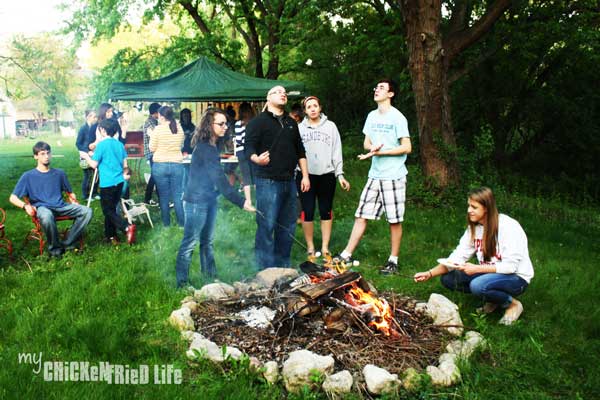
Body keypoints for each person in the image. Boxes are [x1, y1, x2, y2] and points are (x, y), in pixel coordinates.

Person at [414, 187, 534, 325]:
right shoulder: (475, 228)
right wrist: (429, 273)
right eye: (468, 206)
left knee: (478, 285)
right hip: (492, 273)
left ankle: (512, 304)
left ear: (487, 208)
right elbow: (456, 259)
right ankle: (493, 299)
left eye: (474, 207)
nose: (469, 210)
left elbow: (511, 267)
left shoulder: (508, 226)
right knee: (449, 279)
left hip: (516, 278)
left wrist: (477, 268)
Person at [334, 79, 412, 275]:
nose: (377, 90)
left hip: (393, 175)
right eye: (376, 87)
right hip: (375, 175)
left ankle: (393, 260)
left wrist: (382, 152)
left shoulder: (398, 118)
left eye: (382, 88)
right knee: (361, 214)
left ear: (391, 94)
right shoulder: (371, 116)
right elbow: (366, 143)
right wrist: (373, 149)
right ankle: (346, 254)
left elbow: (407, 147)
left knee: (394, 220)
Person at [175, 108, 255, 287]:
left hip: (209, 199)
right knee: (189, 243)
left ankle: (210, 277)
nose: (225, 127)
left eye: (226, 123)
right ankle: (181, 284)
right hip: (196, 201)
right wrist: (242, 203)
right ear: (209, 125)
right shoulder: (205, 148)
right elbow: (221, 181)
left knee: (207, 242)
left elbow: (217, 176)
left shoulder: (214, 145)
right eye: (221, 124)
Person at [245, 85, 310, 269]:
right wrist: (256, 159)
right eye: (278, 92)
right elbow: (248, 147)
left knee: (287, 226)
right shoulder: (257, 122)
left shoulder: (291, 123)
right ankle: (264, 269)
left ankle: (282, 267)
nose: (283, 94)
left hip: (289, 181)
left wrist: (305, 175)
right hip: (267, 181)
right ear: (268, 98)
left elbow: (300, 151)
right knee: (266, 225)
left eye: (284, 92)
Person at [9, 141, 93, 257]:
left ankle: (67, 242)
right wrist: (25, 206)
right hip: (42, 208)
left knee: (87, 211)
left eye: (48, 153)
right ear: (35, 156)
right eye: (42, 154)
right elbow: (12, 198)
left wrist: (73, 199)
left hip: (61, 206)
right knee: (47, 216)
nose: (46, 156)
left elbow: (70, 192)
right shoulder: (28, 176)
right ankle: (55, 250)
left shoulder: (59, 173)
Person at [297, 96, 350, 257]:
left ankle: (325, 246)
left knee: (326, 210)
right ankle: (310, 246)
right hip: (306, 175)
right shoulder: (300, 128)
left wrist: (340, 174)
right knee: (307, 210)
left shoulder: (331, 127)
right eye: (309, 107)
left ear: (320, 108)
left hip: (327, 174)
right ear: (305, 111)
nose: (312, 109)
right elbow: (295, 152)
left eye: (315, 106)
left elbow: (337, 152)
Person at [81, 119, 136, 245]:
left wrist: (86, 156)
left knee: (107, 211)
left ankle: (126, 227)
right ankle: (111, 236)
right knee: (111, 209)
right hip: (120, 182)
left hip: (107, 184)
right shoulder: (119, 145)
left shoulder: (101, 145)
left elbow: (94, 165)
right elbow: (125, 165)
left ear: (103, 130)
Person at [149, 105, 185, 227]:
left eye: (159, 116)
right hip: (177, 165)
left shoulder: (157, 130)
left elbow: (152, 148)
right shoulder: (179, 128)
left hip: (160, 165)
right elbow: (181, 146)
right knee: (177, 196)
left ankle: (166, 225)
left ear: (163, 117)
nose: (158, 118)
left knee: (163, 196)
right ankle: (181, 224)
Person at [234, 102, 255, 203]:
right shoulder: (255, 122)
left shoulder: (238, 124)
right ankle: (259, 198)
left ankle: (249, 200)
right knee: (255, 174)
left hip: (241, 151)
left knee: (246, 175)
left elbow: (238, 140)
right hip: (252, 150)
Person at [75, 109, 98, 199]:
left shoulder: (95, 128)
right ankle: (85, 195)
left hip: (94, 155)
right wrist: (87, 151)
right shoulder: (83, 129)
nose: (95, 119)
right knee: (87, 176)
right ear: (88, 117)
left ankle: (94, 193)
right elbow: (78, 143)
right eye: (93, 117)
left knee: (96, 175)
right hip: (85, 156)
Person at [143, 102, 161, 205]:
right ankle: (154, 199)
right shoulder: (150, 123)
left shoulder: (154, 122)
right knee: (155, 176)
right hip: (152, 153)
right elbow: (156, 137)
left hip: (154, 152)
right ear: (155, 112)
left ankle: (148, 198)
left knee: (155, 176)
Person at [180, 108, 196, 191]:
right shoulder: (179, 126)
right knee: (186, 169)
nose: (186, 117)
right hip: (182, 150)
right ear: (182, 117)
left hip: (192, 150)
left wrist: (193, 134)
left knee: (190, 169)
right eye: (184, 116)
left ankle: (188, 188)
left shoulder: (192, 126)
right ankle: (185, 189)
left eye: (187, 115)